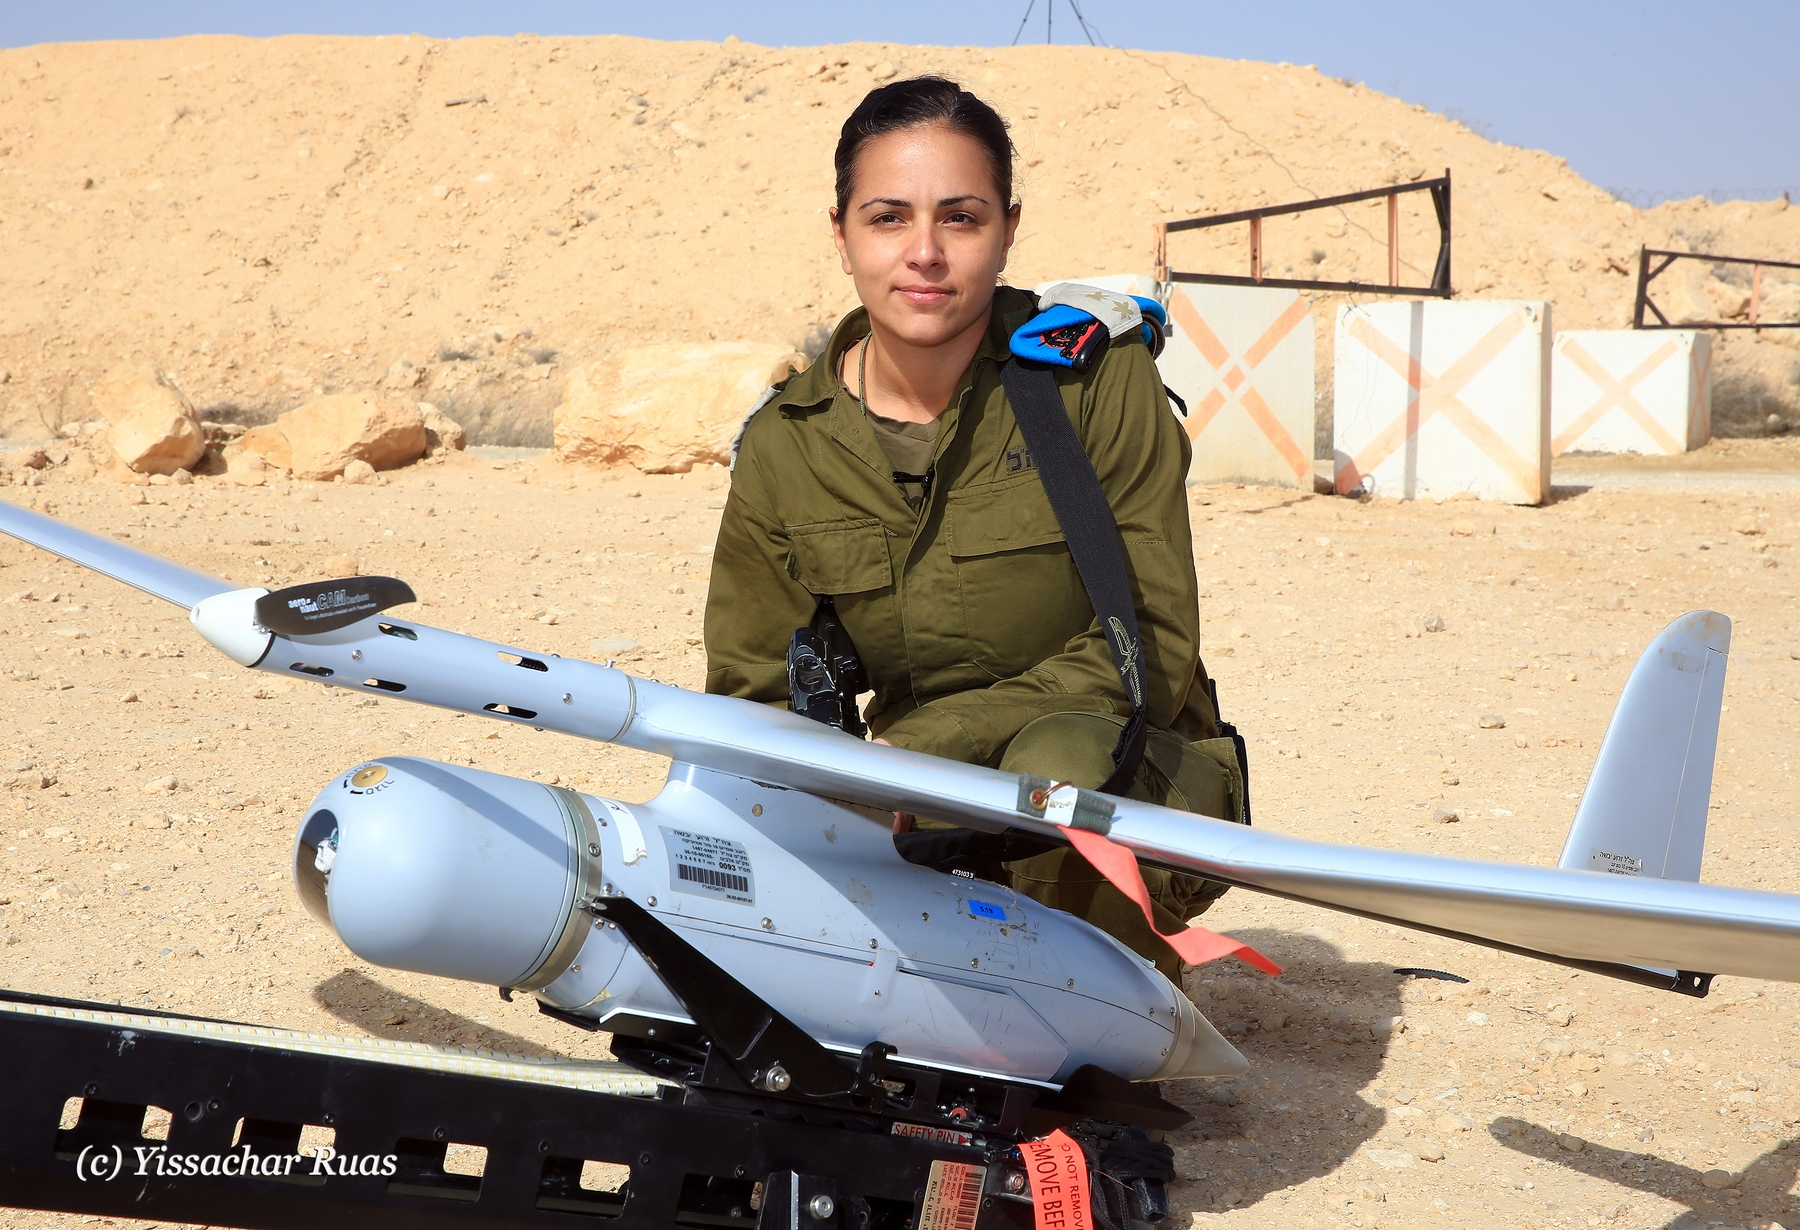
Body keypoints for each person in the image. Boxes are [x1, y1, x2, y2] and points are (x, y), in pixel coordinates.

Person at [704, 76, 1241, 981]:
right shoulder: (785, 446)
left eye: (960, 217)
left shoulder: (1094, 385)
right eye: (887, 219)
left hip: (1126, 763)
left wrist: (909, 758)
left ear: (1008, 229)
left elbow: (1146, 643)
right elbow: (752, 690)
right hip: (910, 798)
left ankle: (1083, 1026)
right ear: (840, 235)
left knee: (1054, 760)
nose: (924, 253)